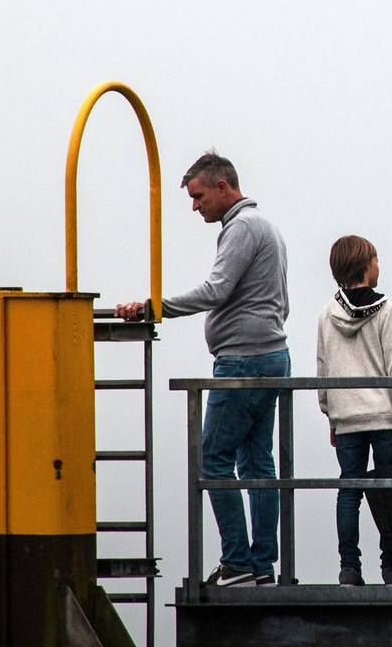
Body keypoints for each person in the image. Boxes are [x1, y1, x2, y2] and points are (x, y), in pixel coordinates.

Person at [116, 152, 290, 587]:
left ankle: (238, 562)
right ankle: (262, 566)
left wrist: (156, 308)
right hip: (270, 356)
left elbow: (216, 290)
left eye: (197, 197)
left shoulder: (242, 227)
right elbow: (277, 302)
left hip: (244, 361)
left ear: (222, 188)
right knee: (257, 465)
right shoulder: (263, 227)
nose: (195, 208)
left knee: (212, 459)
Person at [316, 235, 392, 586]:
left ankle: (349, 569)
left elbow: (323, 368)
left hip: (346, 419)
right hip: (385, 417)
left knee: (349, 491)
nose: (379, 266)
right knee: (389, 493)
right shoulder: (385, 310)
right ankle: (391, 568)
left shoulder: (327, 314)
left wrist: (329, 413)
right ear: (364, 265)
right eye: (375, 259)